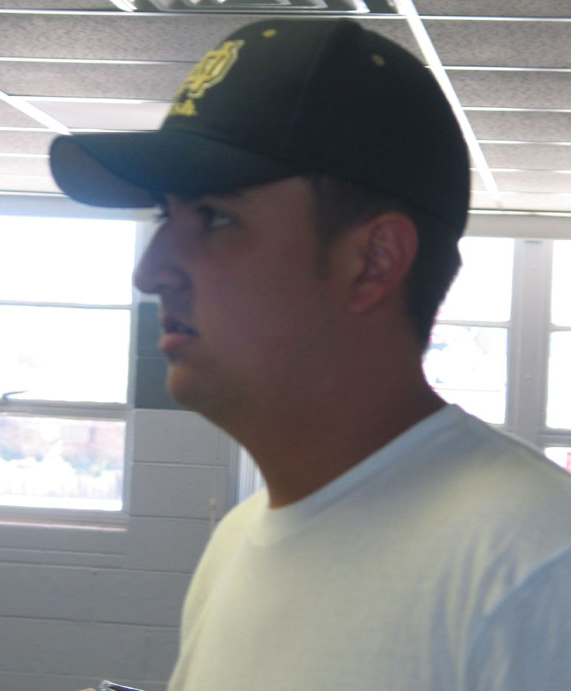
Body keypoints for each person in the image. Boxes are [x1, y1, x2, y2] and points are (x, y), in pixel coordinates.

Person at [50, 18, 571, 691]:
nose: (150, 272)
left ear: (371, 263)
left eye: (215, 217)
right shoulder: (236, 544)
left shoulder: (535, 567)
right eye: (164, 215)